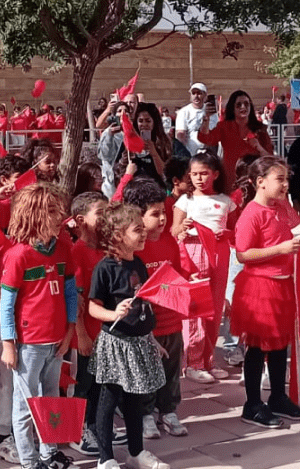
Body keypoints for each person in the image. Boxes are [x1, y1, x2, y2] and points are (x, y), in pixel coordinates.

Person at [0, 184, 77, 469]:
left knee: (51, 398)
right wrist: (8, 343)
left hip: (57, 340)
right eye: (54, 212)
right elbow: (6, 304)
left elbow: (70, 291)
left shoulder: (63, 247)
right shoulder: (18, 255)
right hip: (29, 343)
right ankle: (29, 462)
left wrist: (69, 329)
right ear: (36, 215)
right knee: (26, 404)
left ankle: (49, 452)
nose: (61, 217)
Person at [88, 202, 170, 469]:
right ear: (118, 235)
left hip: (138, 342)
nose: (144, 233)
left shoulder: (138, 263)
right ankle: (106, 459)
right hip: (116, 343)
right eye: (137, 229)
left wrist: (152, 337)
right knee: (109, 399)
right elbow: (92, 307)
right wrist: (114, 314)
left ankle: (136, 453)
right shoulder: (105, 267)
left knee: (136, 399)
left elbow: (143, 303)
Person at [231, 156, 300, 429]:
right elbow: (242, 254)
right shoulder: (251, 214)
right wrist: (280, 249)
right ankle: (252, 404)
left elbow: (296, 228)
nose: (286, 184)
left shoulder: (281, 207)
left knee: (279, 345)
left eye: (287, 179)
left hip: (282, 283)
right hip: (260, 287)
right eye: (280, 179)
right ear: (260, 183)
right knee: (257, 347)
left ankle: (277, 396)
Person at [123, 178, 188, 440]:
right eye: (156, 213)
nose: (163, 219)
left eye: (164, 212)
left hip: (171, 318)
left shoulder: (169, 241)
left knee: (171, 367)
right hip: (145, 324)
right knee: (146, 368)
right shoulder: (134, 248)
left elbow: (178, 273)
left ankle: (168, 410)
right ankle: (145, 414)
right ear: (138, 215)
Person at [170, 152, 233, 384]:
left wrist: (225, 233)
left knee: (215, 309)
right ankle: (193, 362)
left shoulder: (226, 201)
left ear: (215, 174)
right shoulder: (185, 201)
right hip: (193, 253)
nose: (198, 178)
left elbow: (235, 232)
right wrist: (183, 229)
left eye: (204, 173)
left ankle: (208, 360)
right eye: (194, 174)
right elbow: (174, 231)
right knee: (196, 309)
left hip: (218, 253)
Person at [68, 191, 106, 458]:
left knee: (98, 384)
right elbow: (78, 299)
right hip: (86, 334)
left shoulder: (104, 248)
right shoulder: (77, 251)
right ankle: (76, 430)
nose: (106, 219)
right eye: (100, 214)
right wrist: (81, 334)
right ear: (80, 220)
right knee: (81, 384)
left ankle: (93, 424)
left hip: (104, 332)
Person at [197, 90, 272, 191]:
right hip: (230, 179)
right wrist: (206, 119)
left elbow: (270, 159)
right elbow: (206, 139)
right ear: (232, 108)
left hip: (255, 179)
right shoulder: (224, 127)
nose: (243, 107)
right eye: (238, 105)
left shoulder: (259, 129)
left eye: (246, 104)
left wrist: (258, 147)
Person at [174, 84, 209, 155]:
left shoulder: (211, 111)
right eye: (193, 93)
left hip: (209, 154)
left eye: (199, 93)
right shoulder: (183, 112)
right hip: (190, 154)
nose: (196, 96)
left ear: (205, 95)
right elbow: (180, 135)